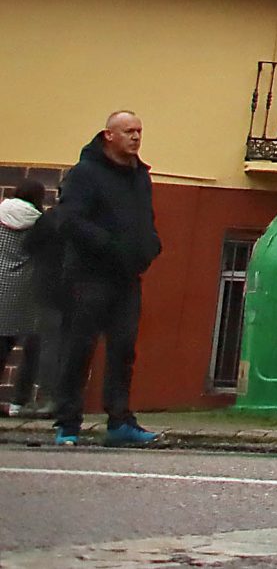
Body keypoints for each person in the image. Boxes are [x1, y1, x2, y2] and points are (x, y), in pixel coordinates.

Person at [51, 111, 162, 448]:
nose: (136, 137)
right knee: (78, 348)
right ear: (108, 135)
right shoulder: (85, 174)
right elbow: (69, 220)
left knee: (123, 349)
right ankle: (67, 424)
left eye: (139, 131)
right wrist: (108, 245)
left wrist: (151, 245)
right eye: (128, 131)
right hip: (88, 277)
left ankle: (120, 421)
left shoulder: (140, 176)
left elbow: (145, 219)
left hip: (127, 277)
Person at [0, 182, 48, 418]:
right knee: (28, 347)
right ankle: (18, 402)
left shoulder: (0, 214)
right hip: (25, 291)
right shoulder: (40, 223)